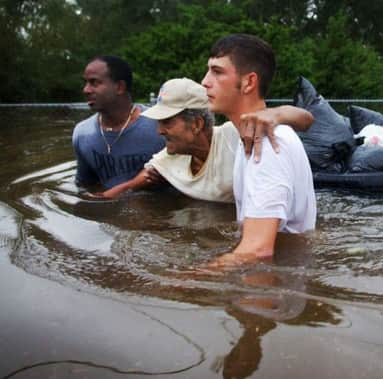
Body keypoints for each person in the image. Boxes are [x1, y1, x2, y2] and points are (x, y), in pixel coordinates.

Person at [74, 55, 311, 192]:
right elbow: (134, 183)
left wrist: (276, 114)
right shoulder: (170, 156)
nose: (159, 131)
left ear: (197, 124)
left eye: (167, 121)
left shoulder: (235, 136)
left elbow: (307, 119)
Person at [200, 33, 316, 265]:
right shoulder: (250, 133)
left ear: (249, 82)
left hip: (273, 288)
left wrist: (178, 282)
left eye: (218, 71)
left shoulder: (268, 143)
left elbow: (257, 251)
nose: (205, 81)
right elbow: (306, 119)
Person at [73, 55, 165, 189]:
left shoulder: (160, 126)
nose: (86, 90)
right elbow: (85, 186)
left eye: (94, 82)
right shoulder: (82, 134)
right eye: (85, 83)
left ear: (119, 87)